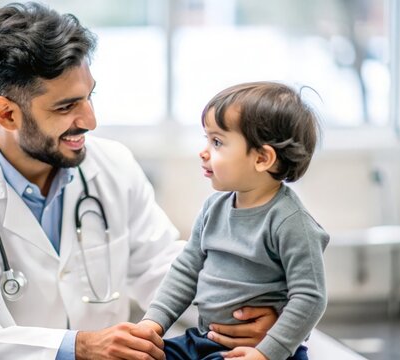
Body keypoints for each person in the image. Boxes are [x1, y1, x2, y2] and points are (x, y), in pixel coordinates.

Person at [0, 3, 278, 359]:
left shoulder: (113, 166)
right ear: (7, 114)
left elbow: (163, 268)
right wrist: (74, 347)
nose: (90, 120)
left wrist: (239, 315)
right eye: (66, 106)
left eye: (89, 96)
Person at [138, 82, 330, 360]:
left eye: (216, 142)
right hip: (204, 340)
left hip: (260, 351)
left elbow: (310, 298)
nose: (203, 152)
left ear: (263, 158)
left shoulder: (290, 222)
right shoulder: (213, 209)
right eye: (206, 139)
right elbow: (185, 270)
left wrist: (267, 353)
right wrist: (153, 324)